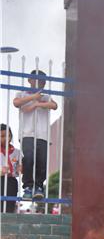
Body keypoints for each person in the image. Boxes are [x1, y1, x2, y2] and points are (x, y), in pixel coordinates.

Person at [12, 70, 58, 200]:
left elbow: (54, 105)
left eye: (43, 82)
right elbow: (16, 103)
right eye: (37, 80)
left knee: (41, 161)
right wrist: (33, 98)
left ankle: (39, 186)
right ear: (30, 80)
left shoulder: (46, 96)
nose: (40, 84)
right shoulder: (21, 93)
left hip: (43, 134)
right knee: (28, 158)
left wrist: (37, 104)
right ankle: (27, 187)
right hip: (27, 133)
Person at [0, 124, 22, 213]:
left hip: (11, 182)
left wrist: (20, 169)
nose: (6, 138)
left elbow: (19, 168)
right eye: (2, 136)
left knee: (9, 206)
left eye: (8, 135)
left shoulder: (17, 152)